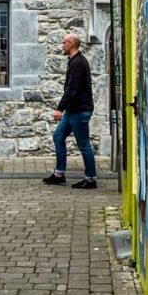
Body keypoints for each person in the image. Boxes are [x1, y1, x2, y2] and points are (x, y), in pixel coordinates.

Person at [43, 33, 97, 189]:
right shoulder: (74, 61)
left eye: (65, 42)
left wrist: (59, 108)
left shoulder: (78, 63)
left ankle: (90, 178)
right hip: (72, 110)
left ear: (72, 44)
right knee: (58, 136)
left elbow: (72, 89)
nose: (62, 45)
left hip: (80, 110)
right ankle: (59, 174)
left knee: (84, 144)